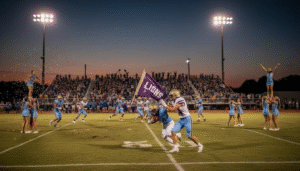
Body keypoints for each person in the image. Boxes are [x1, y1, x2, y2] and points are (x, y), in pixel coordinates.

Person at [161, 89, 203, 153]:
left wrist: (165, 105)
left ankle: (199, 145)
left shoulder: (180, 99)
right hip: (181, 119)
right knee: (173, 131)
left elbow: (173, 108)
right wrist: (163, 109)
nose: (171, 97)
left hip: (187, 119)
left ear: (175, 95)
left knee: (189, 136)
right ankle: (175, 148)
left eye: (172, 95)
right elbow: (170, 109)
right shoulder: (174, 101)